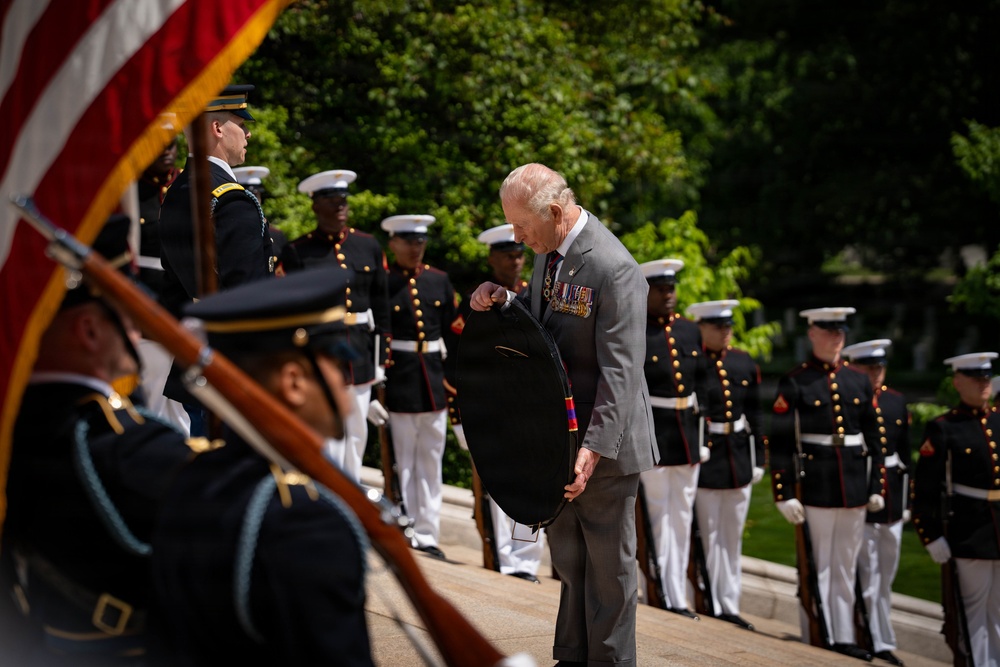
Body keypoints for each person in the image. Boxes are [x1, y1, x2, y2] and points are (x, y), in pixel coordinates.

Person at [469, 163, 657, 667]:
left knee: (610, 573)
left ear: (554, 212)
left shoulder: (614, 267)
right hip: (563, 439)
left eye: (521, 226)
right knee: (573, 563)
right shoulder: (548, 249)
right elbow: (547, 329)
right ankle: (572, 657)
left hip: (605, 447)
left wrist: (592, 451)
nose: (516, 236)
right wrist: (506, 301)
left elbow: (622, 373)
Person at [149, 266, 373, 665]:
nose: (347, 380)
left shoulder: (193, 480)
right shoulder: (306, 524)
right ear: (293, 381)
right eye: (338, 361)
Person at [0, 215, 194, 665]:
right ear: (88, 330)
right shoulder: (130, 451)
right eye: (129, 317)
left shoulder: (22, 425)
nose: (137, 331)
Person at [769, 307, 886, 662]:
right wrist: (783, 492)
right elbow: (781, 442)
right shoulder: (796, 381)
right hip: (816, 483)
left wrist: (876, 486)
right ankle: (819, 633)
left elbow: (875, 441)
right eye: (829, 330)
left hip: (852, 484)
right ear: (812, 334)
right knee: (818, 563)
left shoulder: (858, 380)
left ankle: (844, 635)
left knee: (846, 564)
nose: (836, 337)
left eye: (840, 331)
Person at [445, 223, 546, 583]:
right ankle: (504, 557)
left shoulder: (537, 294)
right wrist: (460, 417)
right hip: (494, 407)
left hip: (533, 405)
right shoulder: (476, 302)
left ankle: (526, 561)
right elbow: (458, 362)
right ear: (492, 258)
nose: (516, 260)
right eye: (508, 255)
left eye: (519, 254)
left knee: (534, 482)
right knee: (501, 482)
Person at [276, 169, 391, 481]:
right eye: (332, 201)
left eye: (343, 201)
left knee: (356, 436)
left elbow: (382, 308)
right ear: (315, 206)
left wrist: (380, 361)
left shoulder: (368, 246)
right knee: (327, 434)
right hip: (323, 356)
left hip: (362, 357)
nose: (341, 206)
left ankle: (352, 499)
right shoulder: (297, 252)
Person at [912, 352, 1000, 667]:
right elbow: (925, 488)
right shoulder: (944, 427)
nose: (983, 385)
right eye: (976, 379)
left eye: (986, 378)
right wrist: (930, 533)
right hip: (969, 530)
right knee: (972, 613)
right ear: (958, 382)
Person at [158, 83, 273, 318]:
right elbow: (249, 298)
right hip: (234, 349)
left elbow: (173, 290)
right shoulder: (232, 201)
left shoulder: (175, 191)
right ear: (217, 128)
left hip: (194, 343)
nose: (248, 134)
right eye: (241, 125)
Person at [635, 257, 708, 618]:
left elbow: (703, 383)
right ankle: (659, 589)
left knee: (681, 517)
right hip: (655, 433)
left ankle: (677, 592)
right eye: (662, 289)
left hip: (687, 435)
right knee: (657, 516)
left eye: (672, 288)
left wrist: (702, 436)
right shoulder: (636, 329)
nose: (669, 295)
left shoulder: (690, 330)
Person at [381, 214, 457, 560]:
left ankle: (428, 532)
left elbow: (451, 335)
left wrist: (452, 381)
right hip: (401, 380)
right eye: (408, 242)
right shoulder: (384, 282)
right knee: (405, 461)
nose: (415, 249)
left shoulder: (439, 281)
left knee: (431, 459)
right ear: (393, 243)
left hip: (434, 381)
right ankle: (409, 526)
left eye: (420, 242)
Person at [688, 299, 764, 631]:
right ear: (702, 328)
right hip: (709, 455)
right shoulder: (694, 362)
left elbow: (756, 415)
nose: (726, 332)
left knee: (732, 537)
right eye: (719, 327)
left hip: (738, 456)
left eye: (728, 326)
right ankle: (706, 598)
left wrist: (759, 458)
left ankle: (729, 602)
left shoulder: (744, 362)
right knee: (707, 532)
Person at [842, 339, 910, 666]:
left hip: (893, 499)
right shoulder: (851, 399)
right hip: (864, 494)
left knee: (885, 575)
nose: (876, 374)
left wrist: (906, 501)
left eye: (879, 367)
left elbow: (905, 456)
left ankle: (882, 636)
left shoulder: (896, 402)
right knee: (866, 574)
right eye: (869, 368)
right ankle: (870, 636)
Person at [136, 136, 180, 298]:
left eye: (170, 145)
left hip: (185, 286)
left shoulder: (189, 183)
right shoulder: (132, 190)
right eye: (158, 146)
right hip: (146, 287)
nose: (166, 152)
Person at [232, 165, 287, 263]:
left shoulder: (276, 235)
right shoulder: (231, 231)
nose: (254, 199)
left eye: (256, 195)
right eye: (248, 194)